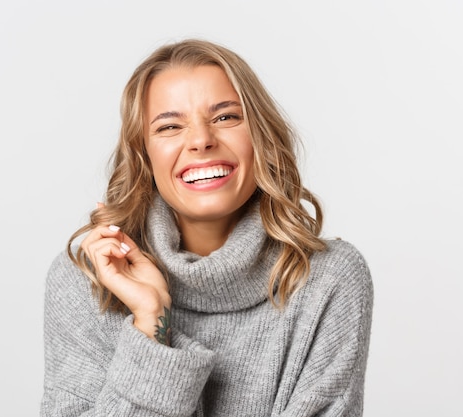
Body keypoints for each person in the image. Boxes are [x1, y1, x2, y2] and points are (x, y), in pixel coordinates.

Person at [41, 39, 373, 417]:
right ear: (144, 155)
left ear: (261, 138)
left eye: (226, 117)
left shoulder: (328, 278)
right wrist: (151, 322)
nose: (201, 140)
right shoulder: (85, 280)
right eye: (169, 126)